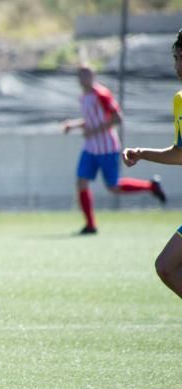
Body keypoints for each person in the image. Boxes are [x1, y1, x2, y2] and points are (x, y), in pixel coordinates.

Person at [63, 65, 166, 235]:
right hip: (90, 148)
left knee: (114, 187)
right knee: (81, 182)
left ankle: (151, 186)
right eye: (80, 75)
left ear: (93, 76)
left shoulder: (101, 94)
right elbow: (91, 120)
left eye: (86, 75)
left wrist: (93, 131)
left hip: (107, 148)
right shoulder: (83, 97)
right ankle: (90, 225)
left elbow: (117, 118)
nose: (83, 79)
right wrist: (73, 125)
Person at [122, 30, 182, 299]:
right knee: (166, 267)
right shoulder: (180, 100)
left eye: (180, 58)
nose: (177, 66)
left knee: (166, 265)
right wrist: (142, 153)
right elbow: (181, 153)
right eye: (176, 58)